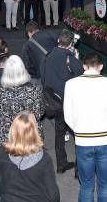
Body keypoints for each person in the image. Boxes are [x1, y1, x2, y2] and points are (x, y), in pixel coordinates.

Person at [63, 52, 107, 202]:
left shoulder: (71, 84)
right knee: (105, 185)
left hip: (83, 141)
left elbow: (68, 115)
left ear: (84, 66)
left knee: (86, 185)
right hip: (106, 139)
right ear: (101, 66)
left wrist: (80, 130)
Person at [0, 111, 60, 202]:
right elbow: (53, 195)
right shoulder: (44, 159)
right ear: (34, 131)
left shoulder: (1, 152)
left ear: (13, 129)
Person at [42, 29, 83, 174]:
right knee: (79, 134)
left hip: (54, 100)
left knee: (59, 134)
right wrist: (76, 58)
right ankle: (80, 168)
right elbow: (80, 77)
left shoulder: (49, 55)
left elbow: (44, 77)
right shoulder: (70, 58)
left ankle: (61, 163)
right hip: (68, 102)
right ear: (71, 43)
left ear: (58, 41)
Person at [0, 55, 44, 145]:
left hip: (9, 136)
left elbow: (0, 111)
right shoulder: (35, 90)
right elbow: (40, 112)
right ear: (23, 69)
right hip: (31, 135)